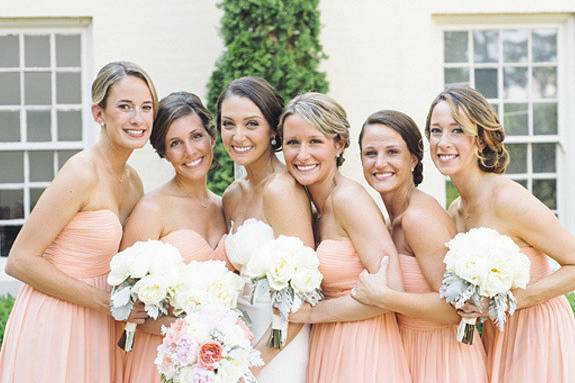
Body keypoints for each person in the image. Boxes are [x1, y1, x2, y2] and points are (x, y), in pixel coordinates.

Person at [0, 61, 157, 382]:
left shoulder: (133, 181)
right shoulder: (81, 172)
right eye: (124, 107)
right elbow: (19, 260)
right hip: (58, 320)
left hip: (101, 324)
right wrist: (104, 302)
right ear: (98, 113)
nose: (137, 119)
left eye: (146, 107)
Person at [426, 85, 575, 382]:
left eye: (457, 131)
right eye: (435, 131)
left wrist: (510, 301)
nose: (443, 142)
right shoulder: (455, 210)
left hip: (537, 332)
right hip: (497, 335)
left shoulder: (508, 199)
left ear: (481, 140)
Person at [282, 93, 411, 383]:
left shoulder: (349, 199)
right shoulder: (310, 204)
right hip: (329, 345)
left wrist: (311, 314)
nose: (302, 155)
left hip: (365, 348)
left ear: (339, 144)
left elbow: (392, 291)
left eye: (315, 141)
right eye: (293, 143)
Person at [351, 110, 487, 382]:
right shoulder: (389, 219)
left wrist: (383, 297)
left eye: (392, 152)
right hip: (407, 352)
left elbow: (455, 308)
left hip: (443, 359)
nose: (380, 163)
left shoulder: (419, 218)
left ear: (413, 158)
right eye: (370, 153)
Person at [118, 92, 229, 382]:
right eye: (175, 143)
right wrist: (193, 330)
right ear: (164, 152)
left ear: (212, 137)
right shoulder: (151, 209)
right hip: (162, 361)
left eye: (196, 136)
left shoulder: (225, 206)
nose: (190, 151)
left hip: (215, 361)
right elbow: (127, 307)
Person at [218, 77, 312, 382]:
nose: (238, 135)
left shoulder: (282, 191)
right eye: (228, 124)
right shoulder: (233, 195)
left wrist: (250, 366)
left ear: (273, 130)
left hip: (278, 348)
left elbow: (303, 299)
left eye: (251, 124)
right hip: (239, 342)